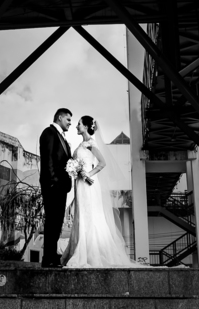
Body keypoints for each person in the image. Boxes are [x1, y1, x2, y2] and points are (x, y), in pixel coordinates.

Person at [62, 115, 148, 268]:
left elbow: (103, 163)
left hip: (88, 185)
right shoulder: (82, 144)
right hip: (80, 185)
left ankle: (91, 253)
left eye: (79, 124)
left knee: (91, 216)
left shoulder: (90, 143)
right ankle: (80, 249)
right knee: (81, 215)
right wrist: (75, 169)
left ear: (87, 127)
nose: (76, 127)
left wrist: (88, 173)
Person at [38, 107, 73, 268]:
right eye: (68, 120)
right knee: (52, 221)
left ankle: (52, 256)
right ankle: (48, 258)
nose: (70, 123)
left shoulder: (63, 138)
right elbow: (48, 160)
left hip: (61, 187)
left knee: (57, 222)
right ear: (59, 118)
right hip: (53, 186)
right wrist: (53, 182)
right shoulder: (49, 133)